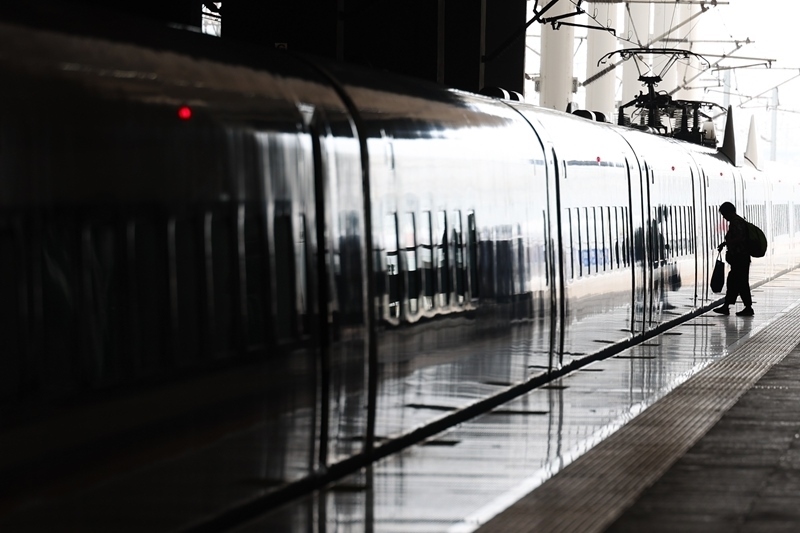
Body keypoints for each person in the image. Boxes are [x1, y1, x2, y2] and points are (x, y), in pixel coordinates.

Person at [713, 201, 754, 316]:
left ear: (729, 212)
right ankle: (727, 306)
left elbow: (740, 238)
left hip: (740, 258)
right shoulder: (737, 221)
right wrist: (726, 243)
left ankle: (747, 307)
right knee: (734, 282)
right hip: (740, 258)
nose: (724, 217)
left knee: (740, 282)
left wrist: (728, 242)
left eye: (724, 214)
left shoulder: (736, 222)